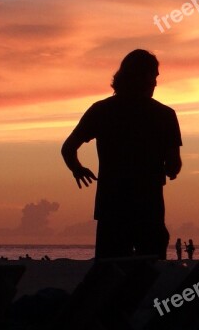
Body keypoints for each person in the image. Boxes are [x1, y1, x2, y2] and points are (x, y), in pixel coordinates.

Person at [61, 49, 182, 259]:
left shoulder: (101, 110)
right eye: (153, 76)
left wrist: (77, 169)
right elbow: (173, 165)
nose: (155, 83)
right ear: (143, 77)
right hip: (148, 209)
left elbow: (68, 148)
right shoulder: (165, 115)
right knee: (150, 275)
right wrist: (164, 169)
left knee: (110, 276)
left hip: (111, 208)